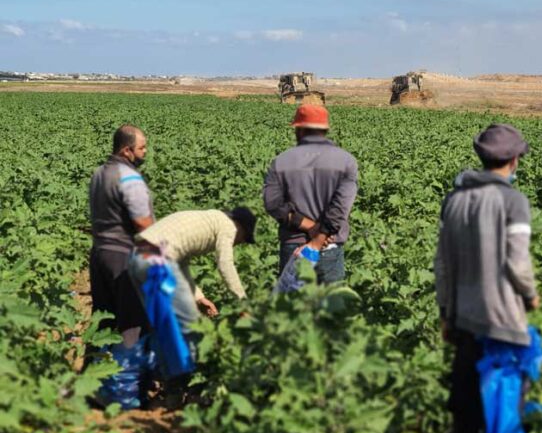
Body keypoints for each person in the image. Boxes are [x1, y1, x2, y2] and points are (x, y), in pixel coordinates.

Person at [434, 123, 540, 433]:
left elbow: (442, 265)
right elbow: (517, 260)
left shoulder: (454, 201)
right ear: (513, 160)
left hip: (463, 320)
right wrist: (530, 294)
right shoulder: (513, 201)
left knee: (465, 406)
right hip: (502, 322)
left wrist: (446, 312)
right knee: (505, 406)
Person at [263, 104, 358, 284]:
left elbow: (273, 204)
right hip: (328, 246)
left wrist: (309, 226)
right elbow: (340, 208)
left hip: (293, 246)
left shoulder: (281, 161)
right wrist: (319, 236)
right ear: (325, 129)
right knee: (330, 308)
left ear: (298, 129)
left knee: (294, 309)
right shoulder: (346, 161)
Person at [127, 208, 256, 330]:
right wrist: (243, 304)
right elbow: (225, 264)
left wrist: (198, 297)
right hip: (158, 260)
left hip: (137, 254)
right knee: (188, 322)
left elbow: (181, 265)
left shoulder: (208, 220)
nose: (239, 243)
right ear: (239, 226)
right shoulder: (229, 226)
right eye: (244, 238)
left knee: (150, 322)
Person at [89, 124, 154, 347]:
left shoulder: (98, 173)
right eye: (142, 148)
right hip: (122, 257)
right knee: (132, 321)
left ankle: (94, 372)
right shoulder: (130, 178)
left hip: (98, 254)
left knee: (102, 319)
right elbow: (143, 224)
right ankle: (127, 379)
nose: (145, 152)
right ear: (127, 151)